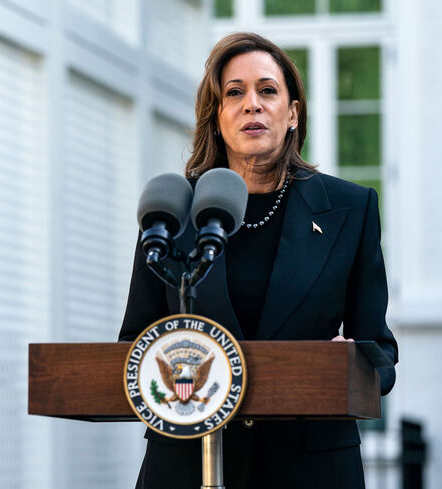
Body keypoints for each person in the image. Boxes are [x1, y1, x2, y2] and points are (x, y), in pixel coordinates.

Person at [117, 32, 398, 489]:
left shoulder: (351, 209)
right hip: (189, 466)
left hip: (309, 469)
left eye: (267, 90)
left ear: (292, 114)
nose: (252, 104)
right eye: (234, 93)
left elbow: (381, 351)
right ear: (218, 117)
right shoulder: (171, 212)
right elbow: (134, 342)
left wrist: (355, 362)